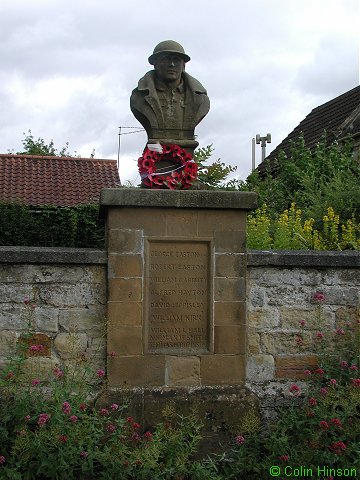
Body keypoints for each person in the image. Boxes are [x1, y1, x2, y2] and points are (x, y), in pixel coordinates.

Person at [130, 40, 210, 154]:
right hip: (154, 154)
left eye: (176, 60)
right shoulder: (139, 97)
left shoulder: (200, 99)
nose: (171, 64)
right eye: (165, 59)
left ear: (183, 65)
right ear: (155, 64)